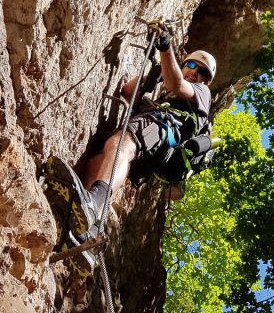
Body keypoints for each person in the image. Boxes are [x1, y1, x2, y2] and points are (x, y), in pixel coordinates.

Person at [43, 22, 217, 276]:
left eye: (202, 72)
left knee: (120, 145)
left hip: (161, 128)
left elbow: (178, 84)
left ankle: (94, 206)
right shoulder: (167, 90)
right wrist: (155, 73)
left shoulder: (201, 94)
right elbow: (128, 91)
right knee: (98, 160)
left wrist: (165, 47)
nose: (195, 73)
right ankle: (86, 233)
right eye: (191, 65)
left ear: (206, 82)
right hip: (157, 135)